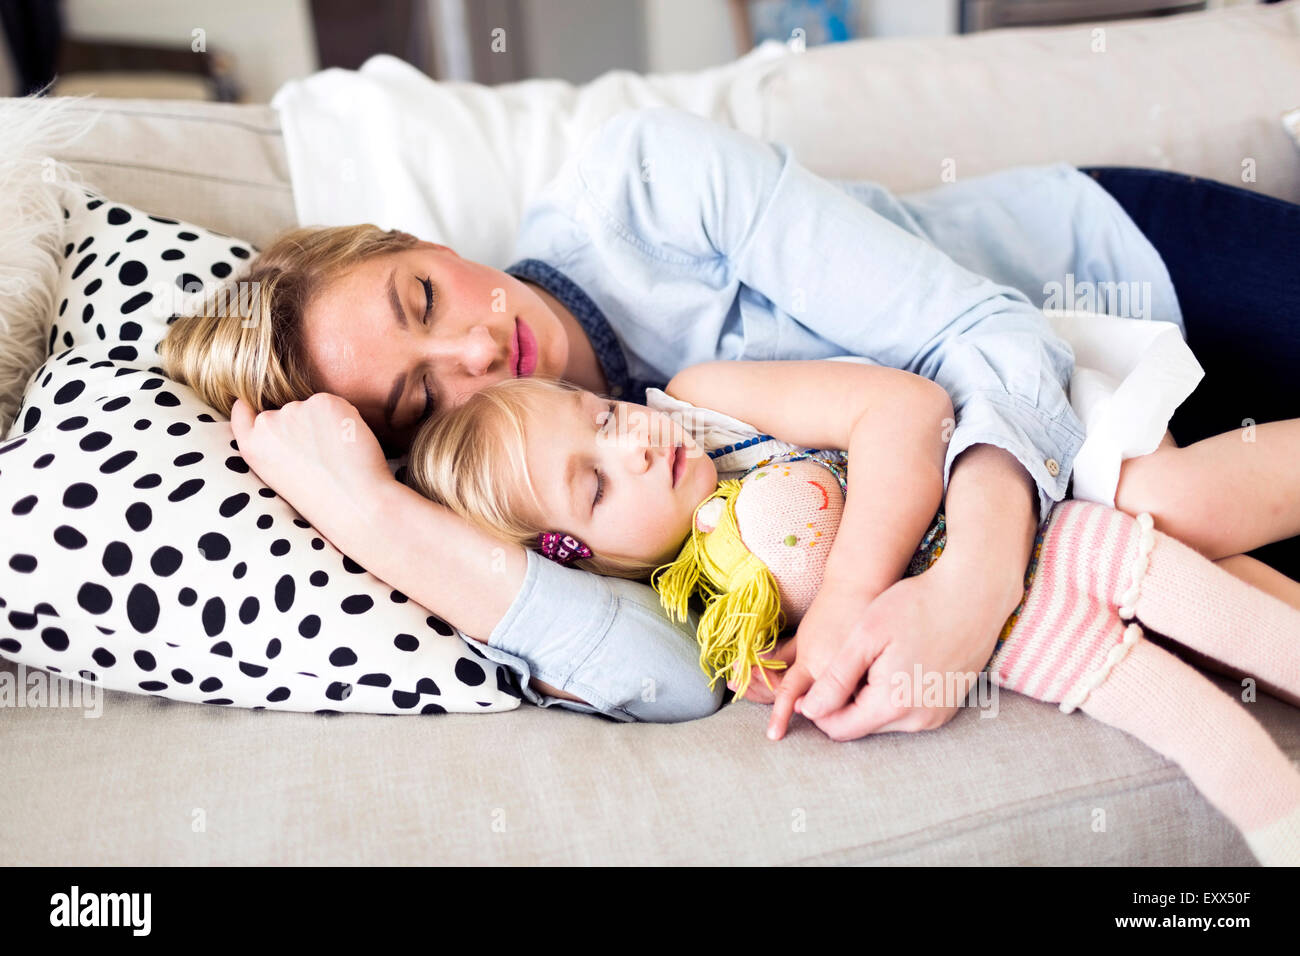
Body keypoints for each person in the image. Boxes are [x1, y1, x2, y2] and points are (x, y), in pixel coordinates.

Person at [159, 106, 1300, 737]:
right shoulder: (537, 486)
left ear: (421, 242)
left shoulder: (643, 185)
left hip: (1121, 278)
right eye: (421, 395)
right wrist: (368, 514)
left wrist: (968, 585)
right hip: (1108, 477)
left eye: (423, 296)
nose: (471, 347)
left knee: (1174, 492)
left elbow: (983, 335)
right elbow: (667, 676)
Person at [396, 360, 1300, 864]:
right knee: (1217, 677)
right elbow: (718, 676)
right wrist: (791, 666)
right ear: (575, 556)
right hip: (1034, 618)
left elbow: (906, 405)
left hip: (1033, 477)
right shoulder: (696, 606)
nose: (631, 442)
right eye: (593, 482)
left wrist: (853, 598)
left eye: (599, 415)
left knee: (1222, 564)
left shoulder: (703, 397)